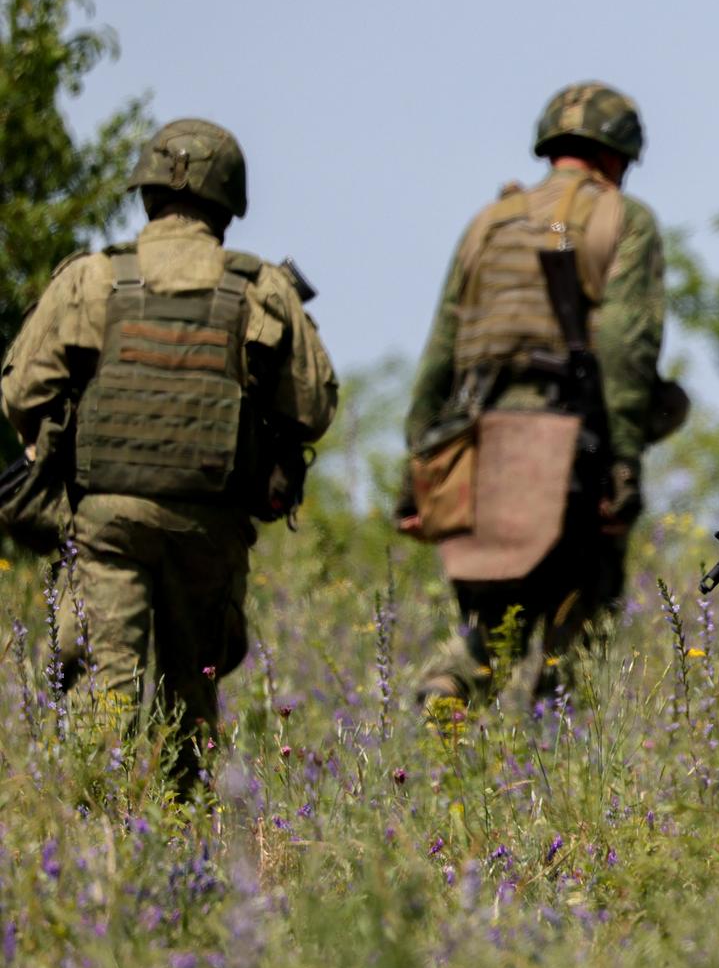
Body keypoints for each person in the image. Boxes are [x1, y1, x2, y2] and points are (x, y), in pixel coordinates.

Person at [1, 118, 338, 789]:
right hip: (208, 525)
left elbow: (20, 390)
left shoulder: (93, 279)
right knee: (192, 695)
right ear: (229, 203)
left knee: (107, 688)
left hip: (108, 518)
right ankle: (187, 839)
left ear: (148, 193)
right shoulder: (262, 290)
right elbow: (313, 410)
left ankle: (105, 849)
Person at [400, 81, 674, 705]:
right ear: (618, 156)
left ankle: (451, 688)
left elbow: (438, 357)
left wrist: (415, 473)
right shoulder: (622, 219)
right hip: (568, 447)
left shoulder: (488, 224)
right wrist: (624, 464)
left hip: (473, 450)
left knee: (490, 623)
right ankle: (559, 776)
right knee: (577, 630)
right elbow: (625, 353)